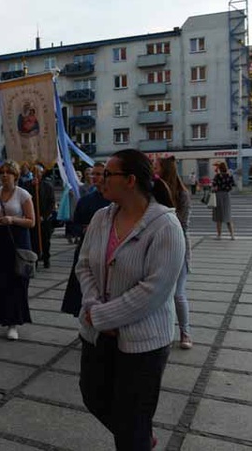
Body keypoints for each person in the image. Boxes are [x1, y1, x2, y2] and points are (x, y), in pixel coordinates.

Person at [77, 148, 185, 450]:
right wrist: (92, 307)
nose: (99, 180)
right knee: (93, 396)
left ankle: (136, 438)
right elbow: (84, 265)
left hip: (143, 342)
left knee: (132, 419)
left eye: (108, 175)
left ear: (130, 180)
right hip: (97, 333)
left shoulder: (165, 226)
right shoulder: (101, 218)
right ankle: (137, 436)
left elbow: (155, 291)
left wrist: (102, 317)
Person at [0, 160, 36, 340]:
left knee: (17, 282)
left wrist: (12, 220)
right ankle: (4, 319)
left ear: (16, 176)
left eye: (8, 172)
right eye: (2, 173)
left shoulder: (23, 195)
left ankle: (15, 322)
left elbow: (31, 221)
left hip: (19, 240)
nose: (4, 176)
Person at [61, 162, 110, 316]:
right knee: (82, 286)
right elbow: (74, 224)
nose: (94, 177)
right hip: (86, 248)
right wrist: (84, 229)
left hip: (107, 249)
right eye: (93, 173)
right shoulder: (85, 200)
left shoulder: (114, 200)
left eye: (99, 174)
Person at [156, 156, 193, 349]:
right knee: (160, 294)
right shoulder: (155, 191)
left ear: (164, 169)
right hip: (157, 246)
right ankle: (162, 331)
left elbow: (184, 225)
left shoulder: (181, 193)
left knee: (178, 294)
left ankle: (185, 333)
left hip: (178, 246)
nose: (154, 170)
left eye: (157, 166)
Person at [30, 165, 56, 269]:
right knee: (33, 240)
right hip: (33, 218)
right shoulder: (28, 185)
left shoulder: (47, 186)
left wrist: (44, 216)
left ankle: (46, 259)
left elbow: (51, 202)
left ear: (42, 174)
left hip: (45, 219)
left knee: (46, 240)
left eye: (38, 173)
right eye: (34, 173)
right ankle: (34, 260)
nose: (36, 175)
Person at [212, 162, 236, 240]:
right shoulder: (229, 176)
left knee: (218, 216)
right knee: (227, 215)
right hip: (226, 196)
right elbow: (232, 185)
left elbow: (213, 186)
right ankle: (232, 235)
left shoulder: (217, 176)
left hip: (218, 195)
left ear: (220, 168)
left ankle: (219, 235)